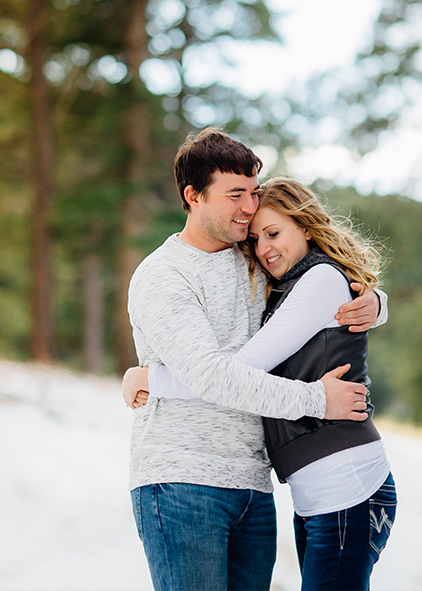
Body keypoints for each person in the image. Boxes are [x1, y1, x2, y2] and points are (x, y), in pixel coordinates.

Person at [122, 127, 387, 591]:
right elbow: (213, 376)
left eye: (253, 193)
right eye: (235, 195)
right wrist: (317, 401)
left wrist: (375, 303)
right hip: (185, 481)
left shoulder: (254, 262)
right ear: (194, 196)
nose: (248, 207)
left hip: (254, 486)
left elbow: (320, 286)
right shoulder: (164, 275)